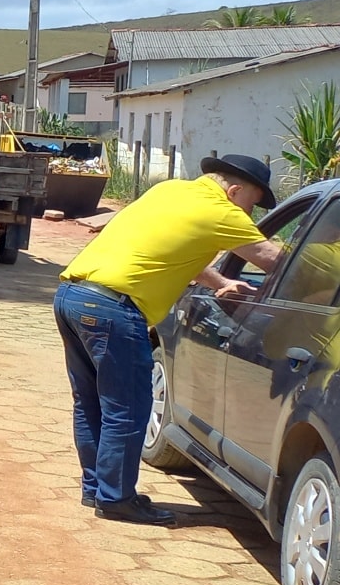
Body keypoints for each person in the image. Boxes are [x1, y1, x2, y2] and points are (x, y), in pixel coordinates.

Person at [55, 154, 285, 525]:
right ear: (235, 190)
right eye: (252, 205)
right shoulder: (223, 212)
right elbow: (276, 261)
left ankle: (97, 489)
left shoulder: (169, 191)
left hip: (72, 296)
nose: (251, 215)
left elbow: (179, 253)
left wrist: (223, 282)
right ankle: (116, 498)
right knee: (127, 408)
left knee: (91, 403)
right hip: (113, 307)